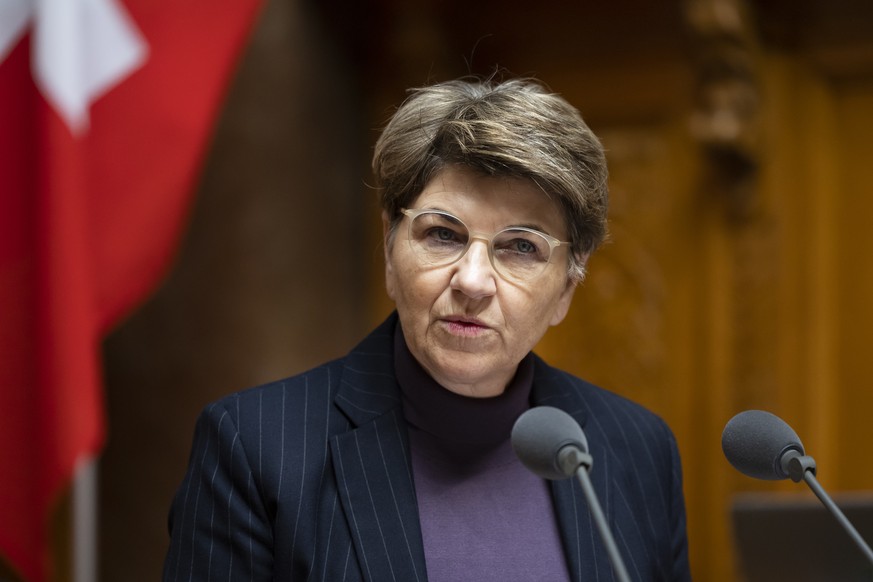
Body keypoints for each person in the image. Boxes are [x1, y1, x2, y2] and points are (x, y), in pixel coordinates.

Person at [163, 76, 691, 581]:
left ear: (567, 289)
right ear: (390, 251)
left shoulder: (636, 449)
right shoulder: (257, 449)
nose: (474, 280)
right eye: (442, 235)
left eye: (521, 247)